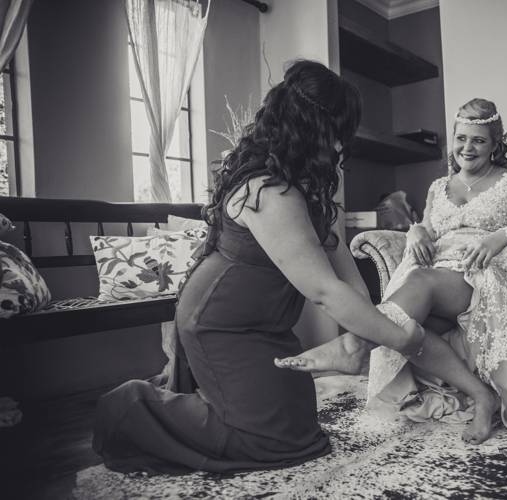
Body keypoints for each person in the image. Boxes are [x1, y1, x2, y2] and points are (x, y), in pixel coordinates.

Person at [92, 59, 425, 475]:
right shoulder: (269, 191)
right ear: (318, 129)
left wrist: (360, 339)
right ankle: (129, 407)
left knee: (299, 434)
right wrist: (401, 339)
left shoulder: (304, 187)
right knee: (270, 443)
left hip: (267, 327)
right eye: (340, 134)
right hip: (221, 325)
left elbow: (345, 272)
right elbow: (324, 291)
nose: (343, 148)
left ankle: (214, 400)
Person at [276, 98, 507, 444]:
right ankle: (483, 396)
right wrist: (416, 232)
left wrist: (501, 237)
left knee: (419, 280)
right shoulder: (439, 187)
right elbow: (427, 226)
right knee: (410, 330)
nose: (467, 148)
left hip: (483, 275)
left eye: (479, 140)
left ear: (495, 144)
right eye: (461, 138)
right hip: (441, 275)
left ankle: (354, 344)